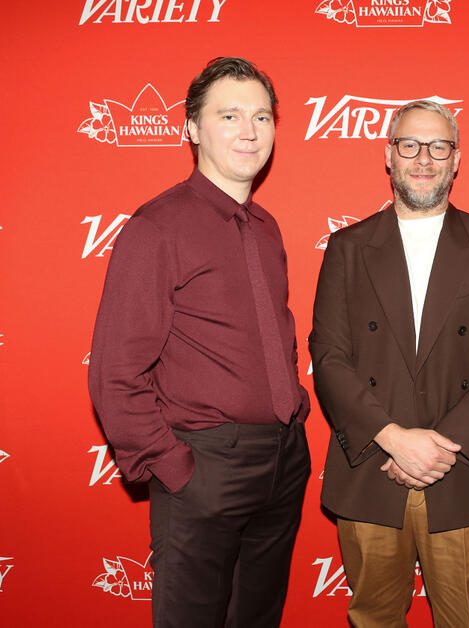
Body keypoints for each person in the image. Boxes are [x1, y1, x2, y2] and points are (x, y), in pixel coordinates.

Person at [88, 57, 310, 627]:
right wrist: (176, 469)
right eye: (229, 115)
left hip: (283, 459)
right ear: (191, 127)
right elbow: (115, 371)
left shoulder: (266, 227)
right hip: (206, 464)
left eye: (262, 117)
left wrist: (294, 425)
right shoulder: (156, 227)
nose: (249, 131)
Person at [309, 100, 469, 627]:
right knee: (374, 619)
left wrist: (437, 448)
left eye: (438, 146)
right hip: (371, 467)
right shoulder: (347, 247)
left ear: (457, 160)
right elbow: (329, 356)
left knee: (465, 619)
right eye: (409, 145)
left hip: (462, 472)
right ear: (389, 156)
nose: (424, 158)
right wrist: (393, 438)